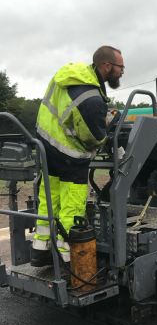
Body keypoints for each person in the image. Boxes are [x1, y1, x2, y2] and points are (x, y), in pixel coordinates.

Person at [30, 46, 124, 266]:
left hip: (46, 144)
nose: (122, 72)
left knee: (50, 199)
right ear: (107, 66)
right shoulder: (91, 99)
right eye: (121, 67)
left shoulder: (73, 75)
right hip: (69, 154)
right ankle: (67, 259)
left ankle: (41, 250)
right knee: (73, 203)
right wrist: (107, 131)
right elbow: (93, 138)